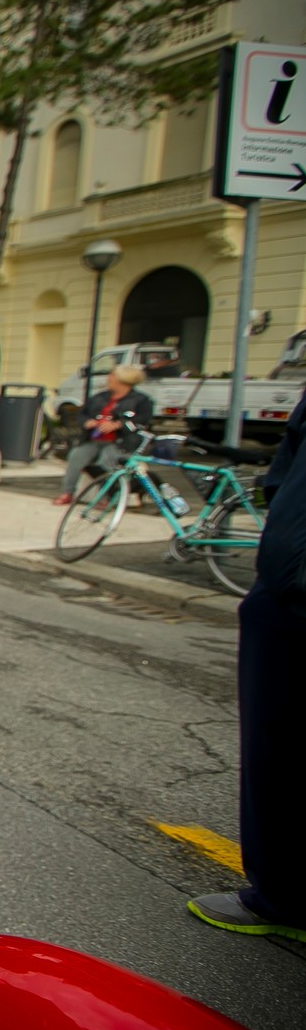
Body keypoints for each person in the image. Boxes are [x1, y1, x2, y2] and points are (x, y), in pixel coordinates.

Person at [188, 393, 306, 943]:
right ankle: (282, 892)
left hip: (292, 581)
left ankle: (283, 894)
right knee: (275, 742)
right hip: (284, 580)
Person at [53, 364, 152, 504]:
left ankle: (105, 497)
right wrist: (87, 422)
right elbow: (82, 414)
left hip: (120, 442)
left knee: (106, 462)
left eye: (112, 376)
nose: (108, 379)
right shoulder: (100, 397)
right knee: (76, 457)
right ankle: (67, 493)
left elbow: (143, 420)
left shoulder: (141, 400)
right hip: (93, 439)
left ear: (122, 380)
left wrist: (118, 424)